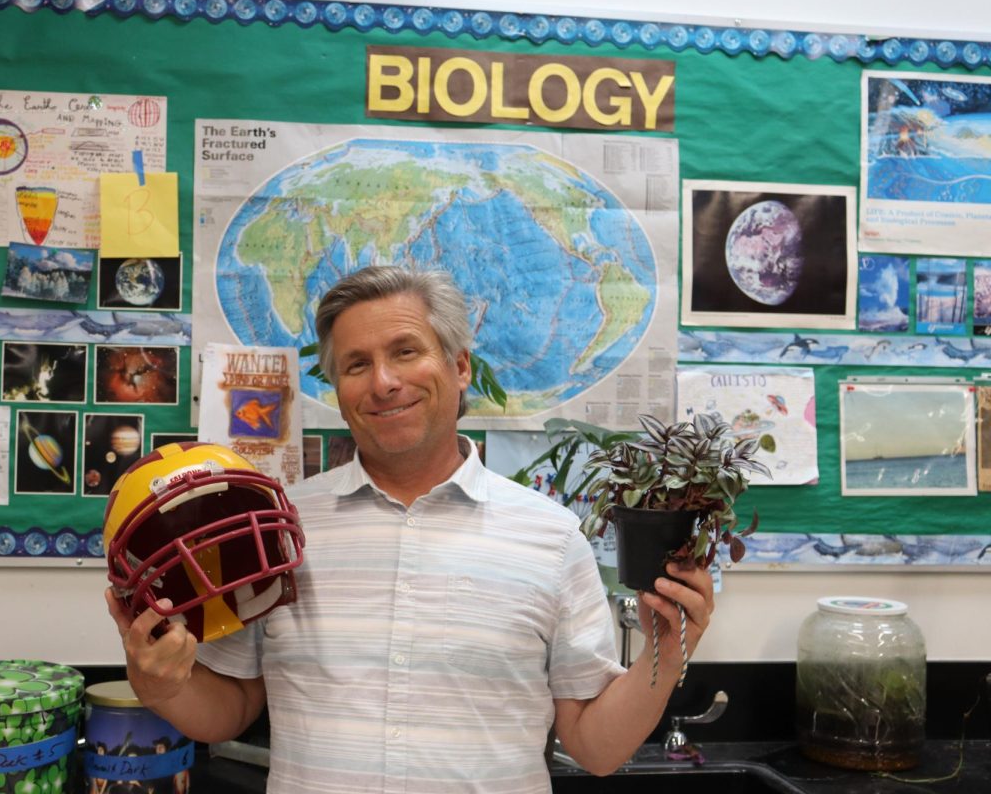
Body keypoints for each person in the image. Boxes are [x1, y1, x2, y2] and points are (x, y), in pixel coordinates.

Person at [106, 265, 715, 793]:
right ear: (338, 391)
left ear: (458, 367)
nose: (383, 382)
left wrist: (667, 646)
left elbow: (596, 748)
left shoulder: (552, 539)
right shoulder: (276, 530)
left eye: (405, 351)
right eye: (355, 364)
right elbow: (229, 710)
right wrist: (158, 683)